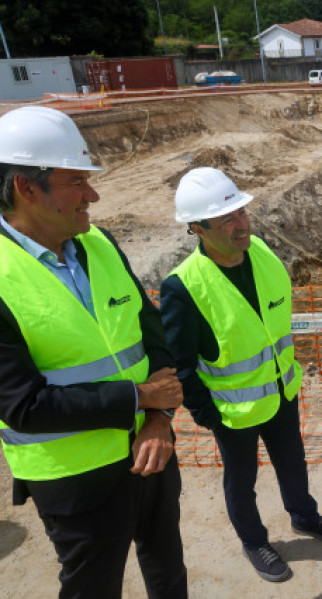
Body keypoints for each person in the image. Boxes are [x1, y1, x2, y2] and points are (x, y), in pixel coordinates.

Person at [0, 106, 187, 598]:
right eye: (76, 182)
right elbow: (22, 406)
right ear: (26, 187)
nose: (94, 195)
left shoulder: (98, 243)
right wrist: (142, 399)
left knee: (167, 568)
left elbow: (153, 333)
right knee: (92, 588)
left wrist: (159, 417)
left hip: (153, 446)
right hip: (75, 480)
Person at [159, 168, 322, 583]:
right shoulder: (183, 286)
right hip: (233, 410)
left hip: (282, 391)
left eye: (242, 212)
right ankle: (254, 540)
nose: (242, 223)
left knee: (293, 462)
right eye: (227, 218)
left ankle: (304, 515)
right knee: (241, 480)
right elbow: (182, 363)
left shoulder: (262, 252)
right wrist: (206, 413)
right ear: (197, 228)